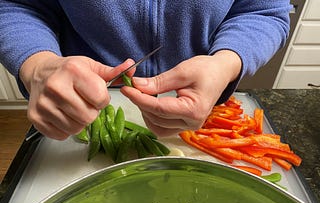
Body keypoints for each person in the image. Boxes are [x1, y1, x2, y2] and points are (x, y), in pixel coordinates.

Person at [0, 1, 291, 140]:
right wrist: (39, 65)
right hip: (74, 109)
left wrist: (224, 63)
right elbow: (14, 5)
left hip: (201, 109)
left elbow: (264, 12)